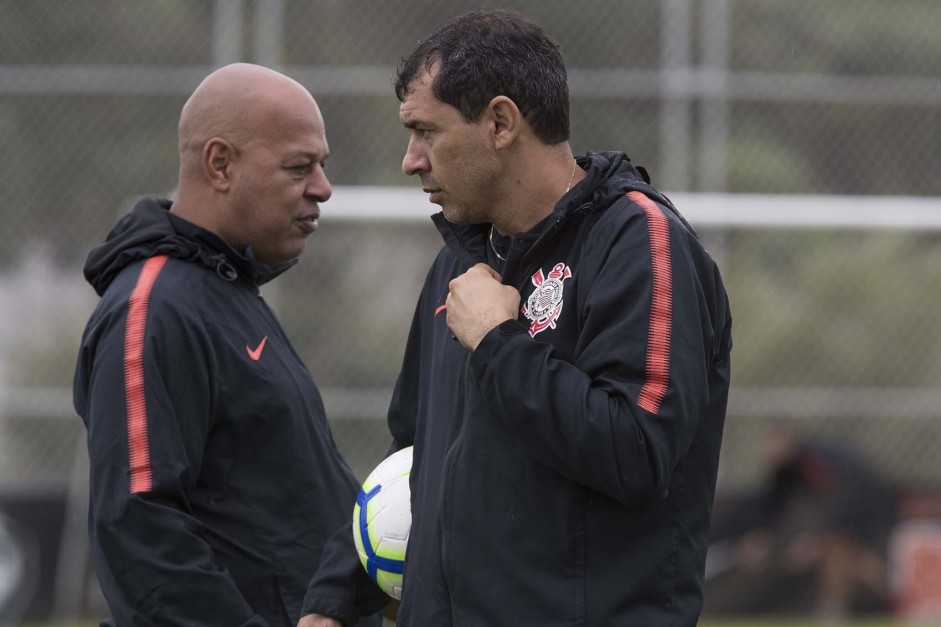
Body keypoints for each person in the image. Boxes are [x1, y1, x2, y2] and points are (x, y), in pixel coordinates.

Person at [301, 9, 732, 627]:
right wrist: (338, 598)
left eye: (426, 131)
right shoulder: (457, 263)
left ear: (500, 122)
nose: (411, 159)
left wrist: (500, 344)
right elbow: (415, 449)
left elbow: (636, 452)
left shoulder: (640, 243)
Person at [73, 63, 384, 627]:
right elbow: (141, 531)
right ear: (220, 164)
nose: (323, 188)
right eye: (299, 166)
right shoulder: (154, 308)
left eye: (323, 166)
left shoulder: (225, 291)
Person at [707, 424, 898, 622]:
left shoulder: (816, 460)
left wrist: (815, 539)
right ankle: (896, 595)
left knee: (837, 552)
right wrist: (759, 536)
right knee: (851, 559)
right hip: (852, 505)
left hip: (865, 501)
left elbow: (838, 497)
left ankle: (832, 608)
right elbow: (771, 507)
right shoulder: (787, 470)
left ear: (788, 441)